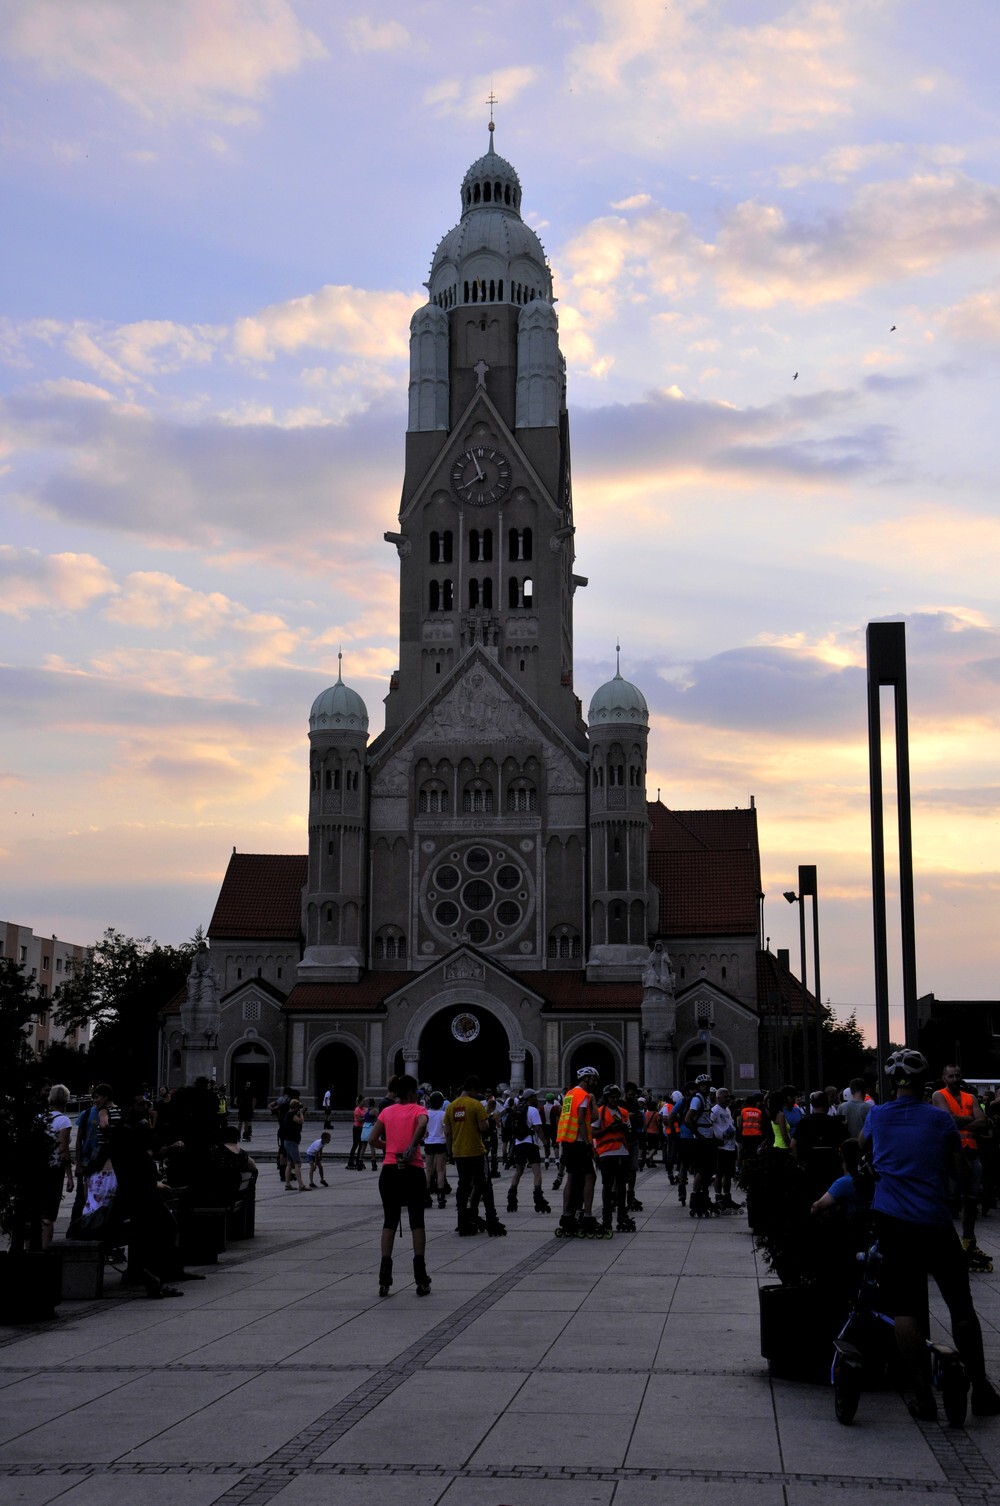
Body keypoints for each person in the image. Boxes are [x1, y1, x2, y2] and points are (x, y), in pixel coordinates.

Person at [861, 1048, 1000, 1420]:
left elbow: (862, 1148)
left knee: (904, 1309)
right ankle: (981, 1389)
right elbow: (961, 1174)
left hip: (893, 1223)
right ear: (925, 1082)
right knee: (961, 1306)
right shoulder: (940, 1121)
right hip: (935, 1222)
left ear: (891, 1083)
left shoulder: (877, 1116)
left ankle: (923, 1397)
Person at [368, 1075, 430, 1296]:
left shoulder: (387, 1112)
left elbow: (372, 1139)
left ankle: (384, 1277)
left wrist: (389, 1147)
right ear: (412, 1093)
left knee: (390, 1221)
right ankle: (420, 1277)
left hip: (389, 1171)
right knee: (417, 1221)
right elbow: (422, 1124)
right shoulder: (418, 1109)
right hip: (412, 1170)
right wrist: (412, 1146)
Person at [933, 1064, 991, 1271]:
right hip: (950, 1155)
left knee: (971, 1201)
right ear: (944, 1078)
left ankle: (968, 1242)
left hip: (971, 1153)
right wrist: (971, 1121)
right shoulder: (939, 1095)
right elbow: (948, 1119)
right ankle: (945, 1246)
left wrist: (960, 1122)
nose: (955, 1079)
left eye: (958, 1075)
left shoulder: (970, 1097)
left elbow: (983, 1122)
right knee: (948, 1201)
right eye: (951, 1076)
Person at [444, 1075, 505, 1235]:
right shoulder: (475, 1105)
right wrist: (489, 1117)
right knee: (485, 1186)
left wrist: (449, 1153)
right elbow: (483, 1127)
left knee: (463, 1186)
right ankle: (491, 1219)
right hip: (476, 1152)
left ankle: (463, 1221)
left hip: (459, 1153)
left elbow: (447, 1132)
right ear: (472, 1089)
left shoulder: (451, 1106)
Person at [555, 1066, 599, 1235]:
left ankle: (566, 1215)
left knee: (571, 1177)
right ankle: (587, 1216)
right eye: (593, 1079)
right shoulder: (583, 1095)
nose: (595, 1082)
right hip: (579, 1142)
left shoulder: (569, 1094)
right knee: (590, 1176)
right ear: (586, 1078)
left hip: (567, 1141)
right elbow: (581, 1120)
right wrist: (588, 1143)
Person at [791, 1089, 848, 1204]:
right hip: (831, 1168)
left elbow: (793, 1145)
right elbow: (846, 1144)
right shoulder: (836, 1123)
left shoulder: (804, 1123)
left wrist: (799, 1163)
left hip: (810, 1168)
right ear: (826, 1105)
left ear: (812, 1105)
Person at [593, 1083, 633, 1232]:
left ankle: (622, 1216)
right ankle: (606, 1218)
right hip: (606, 1154)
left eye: (616, 1096)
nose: (614, 1099)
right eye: (611, 1097)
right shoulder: (599, 1112)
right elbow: (593, 1133)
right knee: (608, 1187)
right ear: (606, 1098)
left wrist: (624, 1129)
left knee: (622, 1186)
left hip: (623, 1153)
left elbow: (629, 1133)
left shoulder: (624, 1112)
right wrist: (609, 1129)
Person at [506, 1088, 550, 1215]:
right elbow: (538, 1128)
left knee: (518, 1171)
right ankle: (538, 1198)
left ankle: (511, 1197)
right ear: (529, 1098)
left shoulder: (518, 1109)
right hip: (530, 1144)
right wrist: (545, 1144)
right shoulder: (533, 1110)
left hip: (518, 1144)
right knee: (537, 1172)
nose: (536, 1098)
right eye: (534, 1096)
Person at [39, 1084, 73, 1250]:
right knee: (49, 1214)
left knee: (35, 1212)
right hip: (54, 1170)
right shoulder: (63, 1120)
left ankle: (30, 1248)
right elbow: (63, 1149)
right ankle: (45, 1249)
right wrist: (70, 1176)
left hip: (38, 1168)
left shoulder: (39, 1117)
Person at [684, 1075, 717, 1217]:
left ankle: (704, 1196)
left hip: (708, 1137)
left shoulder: (707, 1098)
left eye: (707, 1084)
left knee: (708, 1170)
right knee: (701, 1170)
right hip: (701, 1139)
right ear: (698, 1086)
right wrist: (697, 1134)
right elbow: (687, 1119)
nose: (706, 1087)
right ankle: (695, 1198)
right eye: (703, 1085)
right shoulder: (697, 1099)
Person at [711, 1087, 741, 1210]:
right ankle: (718, 1198)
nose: (728, 1099)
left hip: (730, 1146)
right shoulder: (715, 1110)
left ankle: (727, 1197)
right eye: (725, 1097)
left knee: (728, 1174)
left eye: (728, 1096)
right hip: (721, 1147)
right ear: (718, 1098)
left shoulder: (727, 1110)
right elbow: (709, 1124)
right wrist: (715, 1139)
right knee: (720, 1173)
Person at [423, 1091, 449, 1208]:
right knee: (440, 1170)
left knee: (428, 1170)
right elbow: (446, 1131)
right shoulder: (443, 1114)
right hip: (440, 1142)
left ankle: (426, 1196)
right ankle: (441, 1197)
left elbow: (424, 1129)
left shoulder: (426, 1113)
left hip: (429, 1143)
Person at [280, 1099, 306, 1191]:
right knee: (297, 1163)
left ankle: (287, 1184)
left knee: (290, 1163)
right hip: (292, 1142)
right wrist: (301, 1113)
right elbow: (300, 1121)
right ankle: (301, 1185)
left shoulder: (288, 1114)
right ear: (296, 1107)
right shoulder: (291, 1114)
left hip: (288, 1141)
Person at [346, 1094, 366, 1170]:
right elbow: (359, 1120)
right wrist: (366, 1117)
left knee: (361, 1145)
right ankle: (350, 1161)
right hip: (357, 1129)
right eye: (363, 1101)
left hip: (362, 1128)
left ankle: (358, 1161)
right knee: (355, 1145)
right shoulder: (357, 1110)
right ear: (359, 1102)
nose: (364, 1102)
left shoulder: (365, 1109)